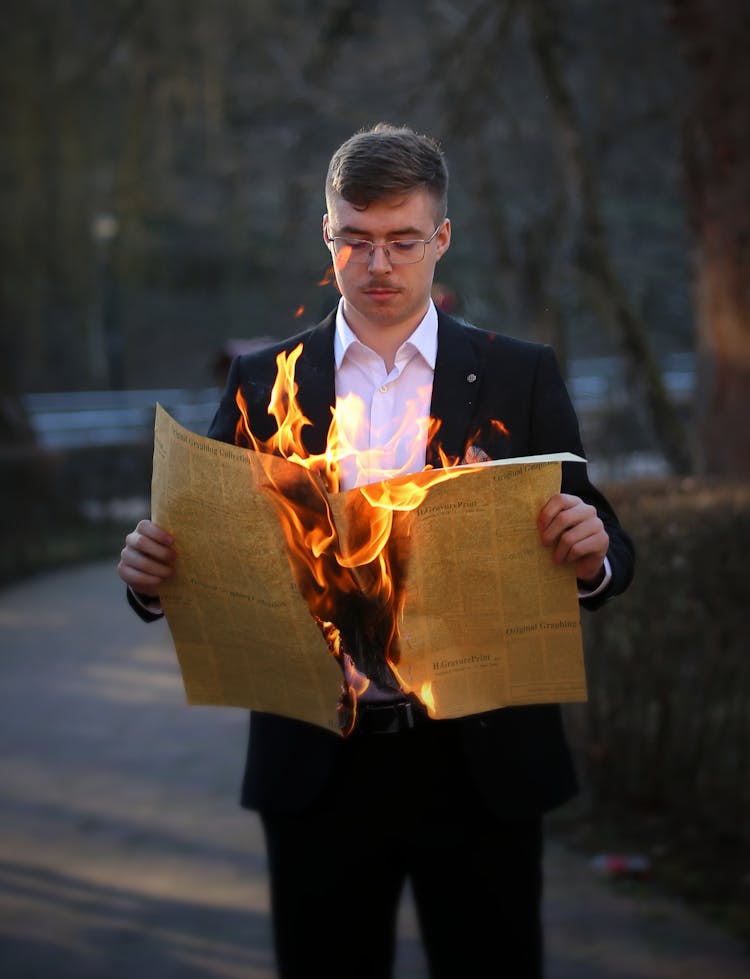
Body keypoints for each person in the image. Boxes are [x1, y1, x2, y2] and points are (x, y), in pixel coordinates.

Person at [118, 123, 635, 978]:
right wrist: (151, 576)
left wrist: (593, 556)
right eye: (356, 239)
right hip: (319, 763)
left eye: (402, 240)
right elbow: (201, 546)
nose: (380, 264)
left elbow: (606, 541)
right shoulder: (264, 381)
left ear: (441, 238)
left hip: (482, 764)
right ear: (328, 235)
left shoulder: (520, 373)